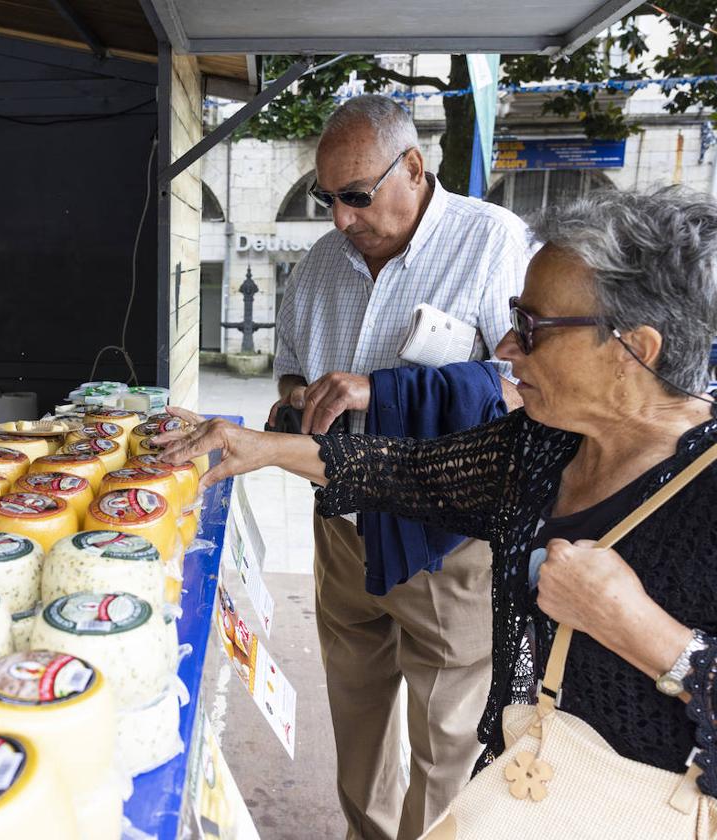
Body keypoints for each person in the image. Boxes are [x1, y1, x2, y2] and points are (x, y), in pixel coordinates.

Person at [160, 186, 717, 809]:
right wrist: (259, 447)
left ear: (634, 350)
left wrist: (642, 631)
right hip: (528, 796)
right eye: (513, 317)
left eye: (532, 329)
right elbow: (410, 470)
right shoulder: (543, 444)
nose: (505, 349)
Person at [270, 95, 529, 839]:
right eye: (328, 199)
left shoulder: (491, 241)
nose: (341, 219)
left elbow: (528, 390)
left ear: (413, 169)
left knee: (448, 743)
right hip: (343, 530)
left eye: (356, 196)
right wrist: (302, 398)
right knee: (356, 720)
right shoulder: (321, 264)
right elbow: (287, 372)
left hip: (443, 539)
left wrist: (385, 393)